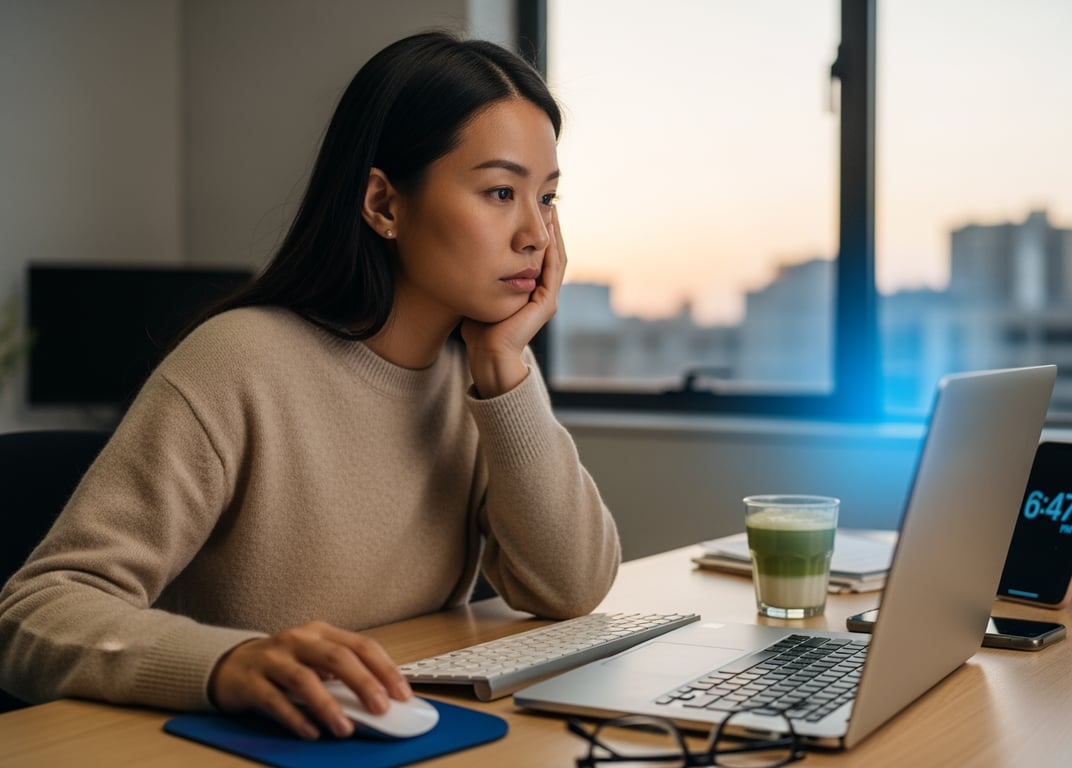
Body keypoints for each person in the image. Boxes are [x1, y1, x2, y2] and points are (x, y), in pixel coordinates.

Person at [0, 30, 620, 740]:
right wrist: (229, 662)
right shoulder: (239, 362)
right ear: (384, 204)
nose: (535, 234)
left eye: (547, 197)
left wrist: (506, 366)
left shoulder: (477, 379)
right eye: (500, 191)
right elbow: (34, 613)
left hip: (391, 737)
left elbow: (570, 588)